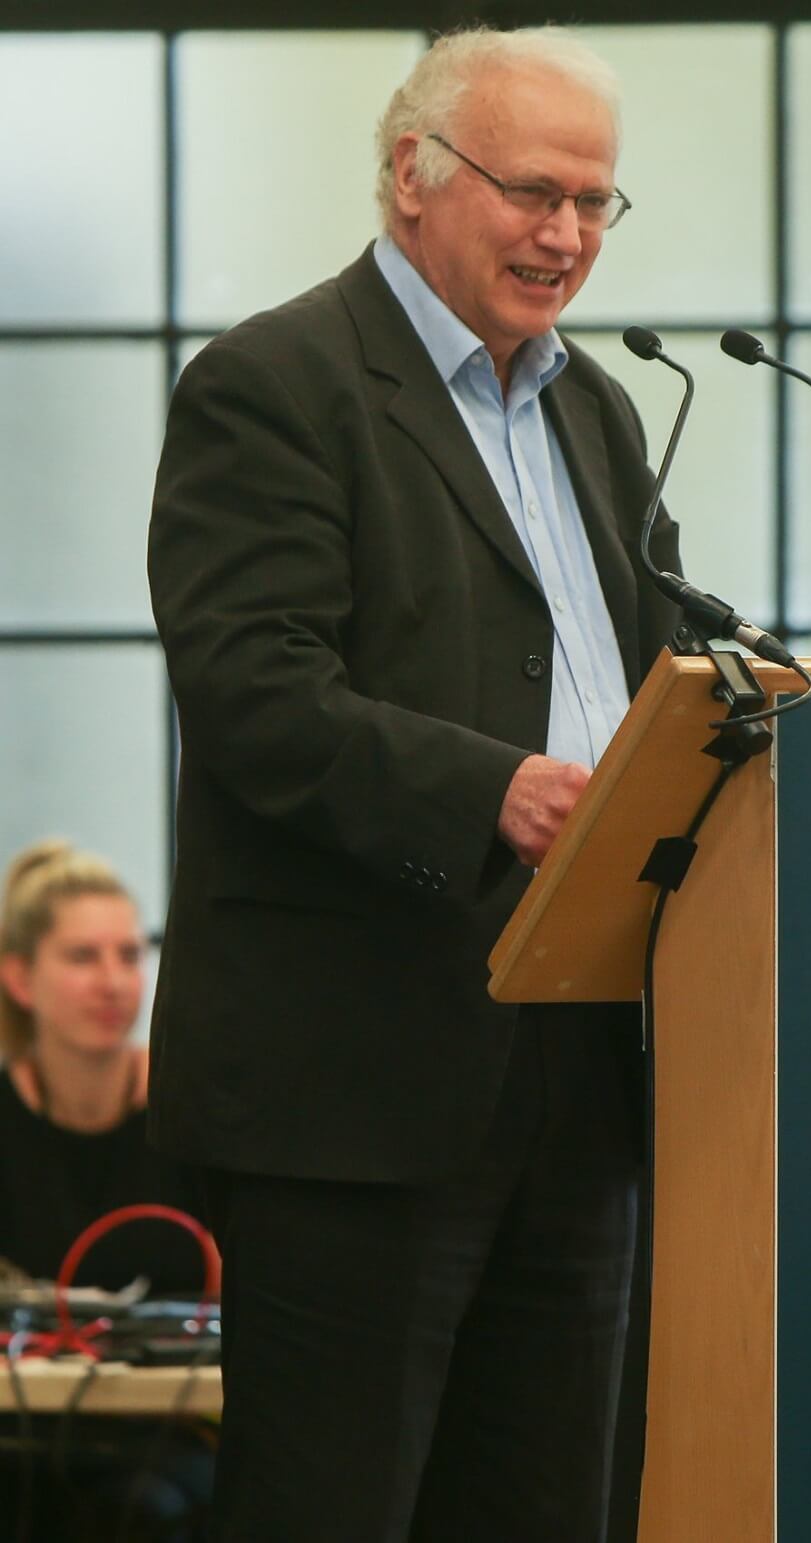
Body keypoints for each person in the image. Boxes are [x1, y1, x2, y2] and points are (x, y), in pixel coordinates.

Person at [146, 24, 680, 1543]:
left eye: (597, 202)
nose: (567, 234)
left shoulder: (598, 409)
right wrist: (492, 789)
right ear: (411, 178)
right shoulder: (276, 382)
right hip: (360, 1095)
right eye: (534, 192)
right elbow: (254, 689)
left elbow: (653, 674)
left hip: (579, 1086)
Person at [0, 840, 214, 1542]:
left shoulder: (193, 1111)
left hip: (179, 1432)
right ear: (20, 978)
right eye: (84, 956)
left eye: (130, 954)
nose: (115, 980)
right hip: (21, 1430)